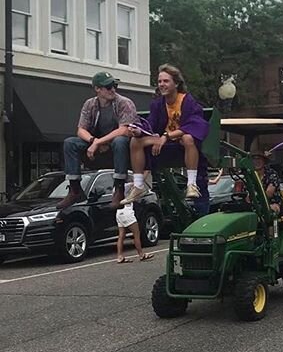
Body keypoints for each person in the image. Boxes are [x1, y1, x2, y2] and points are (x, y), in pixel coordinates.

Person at [123, 65, 209, 203]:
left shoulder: (188, 101)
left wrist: (167, 136)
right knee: (135, 141)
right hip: (162, 140)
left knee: (188, 138)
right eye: (159, 81)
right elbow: (151, 124)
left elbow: (195, 124)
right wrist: (139, 131)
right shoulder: (157, 104)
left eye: (166, 81)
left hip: (180, 140)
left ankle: (191, 184)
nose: (162, 84)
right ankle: (138, 185)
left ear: (176, 83)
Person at [58, 71, 138, 210]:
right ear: (97, 89)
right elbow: (81, 130)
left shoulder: (125, 103)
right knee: (70, 143)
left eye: (114, 85)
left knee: (120, 140)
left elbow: (124, 130)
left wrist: (98, 142)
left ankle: (119, 188)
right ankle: (75, 189)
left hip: (117, 146)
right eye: (108, 87)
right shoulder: (90, 104)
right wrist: (93, 140)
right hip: (96, 144)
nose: (113, 89)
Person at [115, 184, 154, 263]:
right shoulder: (128, 185)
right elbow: (138, 187)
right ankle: (141, 255)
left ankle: (120, 256)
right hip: (127, 211)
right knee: (136, 233)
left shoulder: (116, 188)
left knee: (121, 235)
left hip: (119, 212)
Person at [251, 152, 283, 217]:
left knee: (268, 211)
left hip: (272, 203)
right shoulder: (249, 175)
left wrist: (253, 197)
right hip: (254, 205)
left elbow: (269, 194)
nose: (256, 161)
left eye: (259, 159)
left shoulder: (272, 174)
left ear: (264, 161)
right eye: (254, 159)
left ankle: (271, 226)